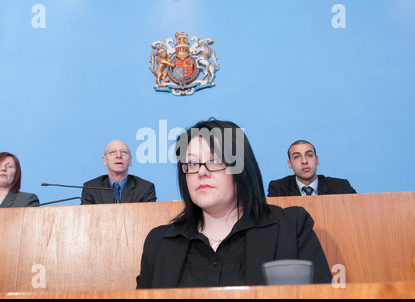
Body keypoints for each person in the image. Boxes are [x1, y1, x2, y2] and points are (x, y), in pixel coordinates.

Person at [136, 120, 332, 289]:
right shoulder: (159, 241)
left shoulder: (291, 227)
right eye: (193, 164)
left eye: (215, 160)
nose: (202, 172)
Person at [267, 140, 357, 197]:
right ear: (290, 164)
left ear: (317, 160)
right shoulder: (278, 188)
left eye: (309, 155)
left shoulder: (341, 187)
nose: (304, 161)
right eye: (297, 157)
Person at [81, 140, 156, 204]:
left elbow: (150, 218)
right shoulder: (91, 188)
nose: (118, 156)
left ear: (130, 160)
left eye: (123, 152)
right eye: (112, 152)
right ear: (104, 160)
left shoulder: (145, 188)